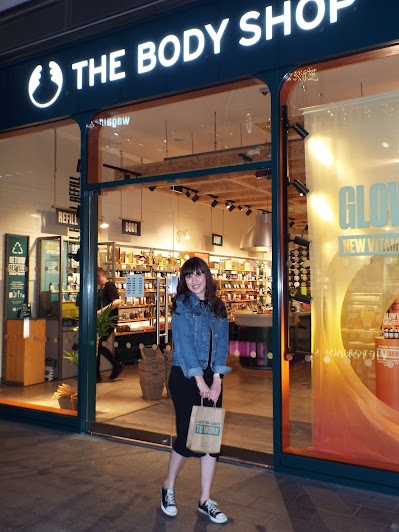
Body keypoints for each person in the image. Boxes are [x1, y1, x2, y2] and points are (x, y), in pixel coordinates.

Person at [161, 257, 231, 524]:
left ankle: (205, 500)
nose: (194, 280)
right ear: (184, 280)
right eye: (188, 275)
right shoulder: (181, 306)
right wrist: (200, 381)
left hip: (211, 379)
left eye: (198, 274)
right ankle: (168, 487)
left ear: (207, 276)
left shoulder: (218, 306)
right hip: (185, 377)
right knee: (187, 440)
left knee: (210, 440)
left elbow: (222, 344)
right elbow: (185, 346)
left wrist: (217, 379)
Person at [97, 267, 124, 381]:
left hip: (108, 321)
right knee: (98, 345)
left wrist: (101, 311)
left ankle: (116, 365)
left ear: (99, 275)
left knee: (99, 344)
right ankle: (97, 374)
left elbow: (117, 301)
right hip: (102, 321)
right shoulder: (101, 288)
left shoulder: (109, 286)